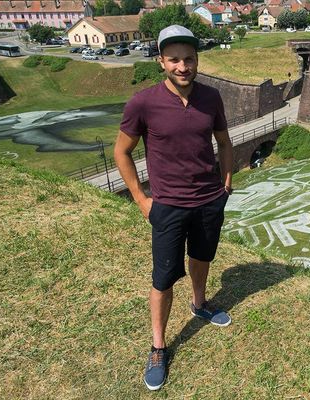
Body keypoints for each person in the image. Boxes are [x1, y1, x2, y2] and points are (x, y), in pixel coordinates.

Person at [113, 25, 234, 391]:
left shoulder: (211, 98)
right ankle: (158, 346)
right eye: (175, 59)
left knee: (202, 257)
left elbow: (225, 142)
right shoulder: (143, 102)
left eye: (190, 59)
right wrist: (141, 198)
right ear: (161, 61)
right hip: (166, 206)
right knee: (163, 278)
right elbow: (122, 151)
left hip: (209, 200)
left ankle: (199, 304)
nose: (183, 66)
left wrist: (226, 184)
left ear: (197, 61)